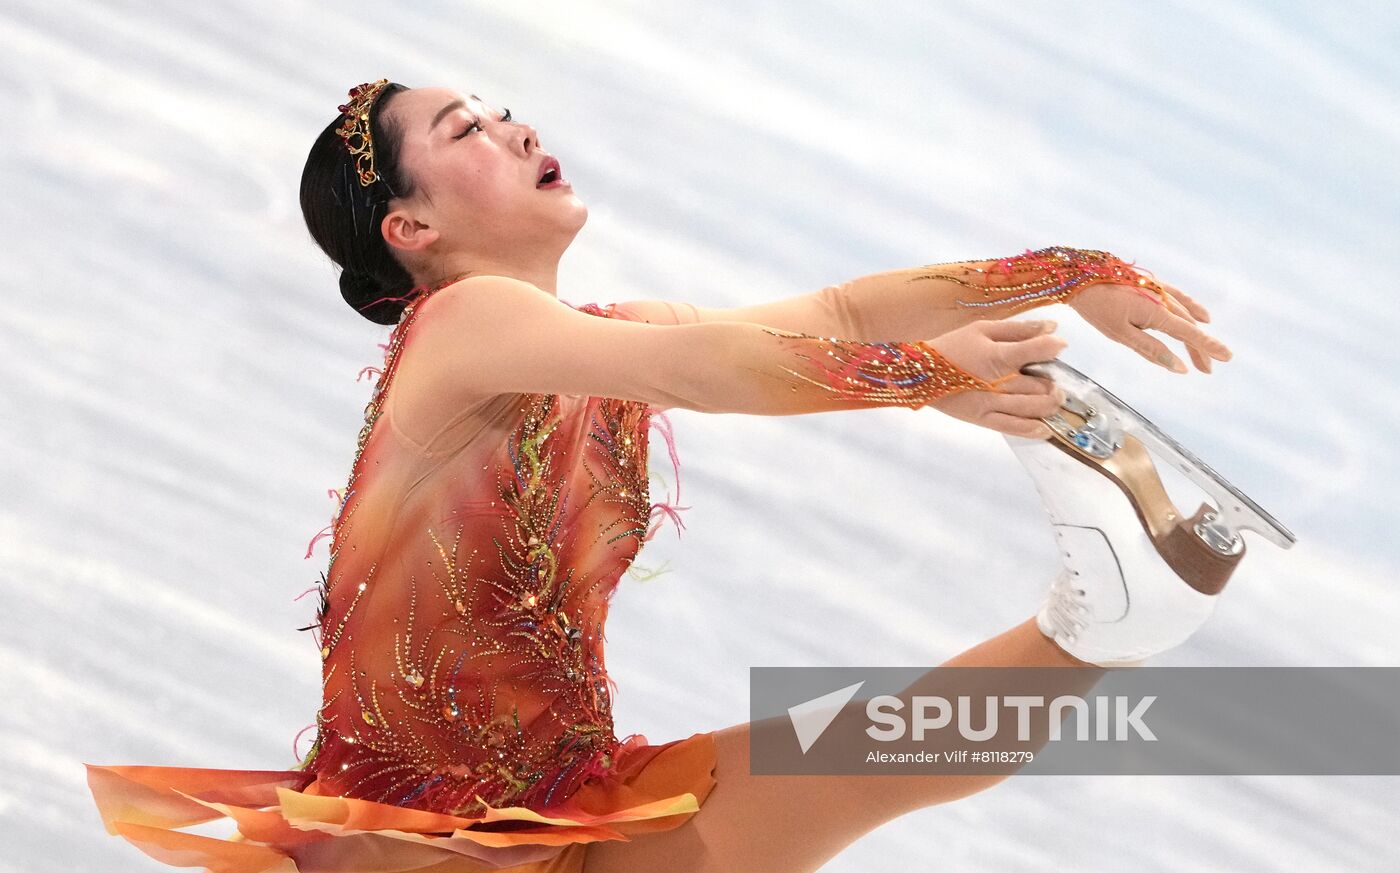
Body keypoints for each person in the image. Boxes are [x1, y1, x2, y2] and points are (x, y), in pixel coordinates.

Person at [85, 79, 1254, 873]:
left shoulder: (595, 342)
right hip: (423, 850)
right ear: (411, 229)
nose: (512, 128)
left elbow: (839, 312)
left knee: (879, 751)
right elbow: (701, 366)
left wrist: (1065, 272)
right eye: (464, 132)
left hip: (561, 803)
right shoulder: (465, 325)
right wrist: (921, 375)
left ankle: (1104, 621)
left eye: (499, 110)